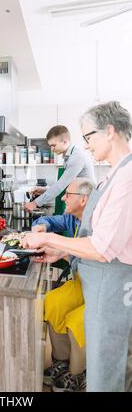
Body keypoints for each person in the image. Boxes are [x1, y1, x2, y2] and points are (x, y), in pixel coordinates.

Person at [22, 101, 132, 392]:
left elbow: (102, 248)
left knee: (109, 374)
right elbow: (103, 238)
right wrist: (64, 251)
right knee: (99, 369)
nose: (86, 144)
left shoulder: (127, 177)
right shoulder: (113, 174)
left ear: (109, 131)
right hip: (98, 285)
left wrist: (47, 238)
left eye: (88, 136)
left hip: (112, 288)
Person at [32, 178, 94, 392]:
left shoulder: (98, 222)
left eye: (69, 194)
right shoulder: (72, 219)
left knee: (76, 320)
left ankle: (78, 374)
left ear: (84, 200)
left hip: (100, 288)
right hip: (81, 281)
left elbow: (97, 256)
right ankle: (61, 363)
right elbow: (51, 221)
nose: (63, 198)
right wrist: (40, 226)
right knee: (53, 301)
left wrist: (62, 251)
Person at [25, 125, 95, 213]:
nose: (52, 149)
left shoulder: (76, 157)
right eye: (50, 146)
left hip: (85, 205)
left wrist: (35, 203)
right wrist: (44, 190)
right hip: (80, 203)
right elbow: (65, 184)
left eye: (53, 145)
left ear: (65, 142)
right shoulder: (70, 156)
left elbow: (60, 186)